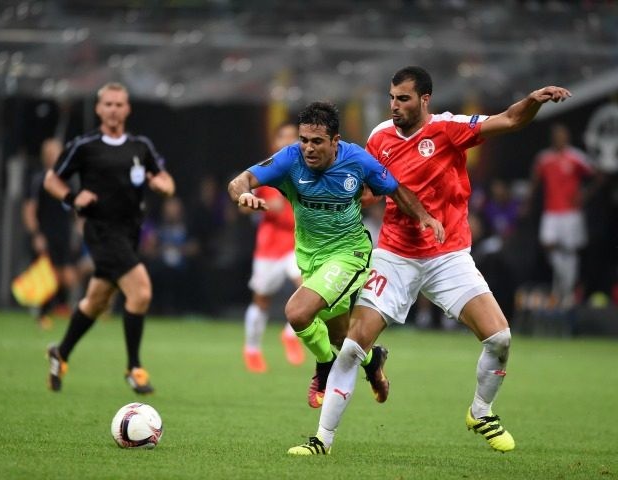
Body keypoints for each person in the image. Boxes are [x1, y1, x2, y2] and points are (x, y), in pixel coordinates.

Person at [288, 66, 570, 455]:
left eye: (403, 98)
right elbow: (370, 189)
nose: (395, 106)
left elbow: (508, 119)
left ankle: (481, 411)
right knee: (353, 346)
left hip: (448, 256)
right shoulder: (379, 137)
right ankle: (322, 440)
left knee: (500, 337)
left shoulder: (449, 128)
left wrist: (532, 101)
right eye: (391, 98)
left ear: (424, 99)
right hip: (394, 256)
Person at [228, 101, 444, 408]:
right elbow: (239, 182)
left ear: (335, 141)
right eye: (304, 140)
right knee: (342, 336)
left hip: (349, 254)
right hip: (310, 258)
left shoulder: (357, 160)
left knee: (298, 312)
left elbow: (394, 189)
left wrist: (423, 216)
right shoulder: (289, 159)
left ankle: (324, 367)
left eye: (317, 141)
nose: (308, 148)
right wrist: (244, 195)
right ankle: (373, 361)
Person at [43, 82, 175, 394]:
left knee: (96, 300)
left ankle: (59, 354)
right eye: (108, 104)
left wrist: (162, 185)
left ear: (127, 109)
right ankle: (134, 368)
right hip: (101, 232)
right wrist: (73, 198)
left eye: (119, 104)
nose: (114, 110)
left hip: (130, 232)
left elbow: (165, 180)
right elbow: (52, 179)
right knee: (140, 292)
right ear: (98, 109)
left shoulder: (140, 146)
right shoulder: (84, 145)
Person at [241, 121, 305, 373]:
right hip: (269, 248)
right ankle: (252, 349)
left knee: (308, 288)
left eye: (294, 137)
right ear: (276, 143)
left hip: (297, 244)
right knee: (261, 300)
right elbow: (243, 204)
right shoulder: (266, 172)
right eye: (284, 137)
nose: (289, 141)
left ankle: (290, 334)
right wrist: (262, 205)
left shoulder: (307, 171)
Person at [529, 124, 595, 308]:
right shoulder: (544, 158)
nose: (559, 138)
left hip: (571, 213)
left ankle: (567, 292)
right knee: (549, 243)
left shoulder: (576, 157)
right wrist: (527, 204)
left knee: (571, 250)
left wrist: (585, 194)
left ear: (567, 137)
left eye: (562, 135)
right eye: (556, 135)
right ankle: (564, 282)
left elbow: (597, 174)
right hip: (551, 212)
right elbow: (535, 183)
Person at [22, 138, 81, 330]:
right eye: (50, 153)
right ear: (45, 157)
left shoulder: (69, 179)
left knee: (68, 276)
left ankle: (66, 308)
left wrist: (80, 226)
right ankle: (41, 313)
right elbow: (30, 209)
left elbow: (76, 208)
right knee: (48, 274)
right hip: (45, 234)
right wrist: (36, 234)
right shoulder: (39, 179)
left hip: (63, 235)